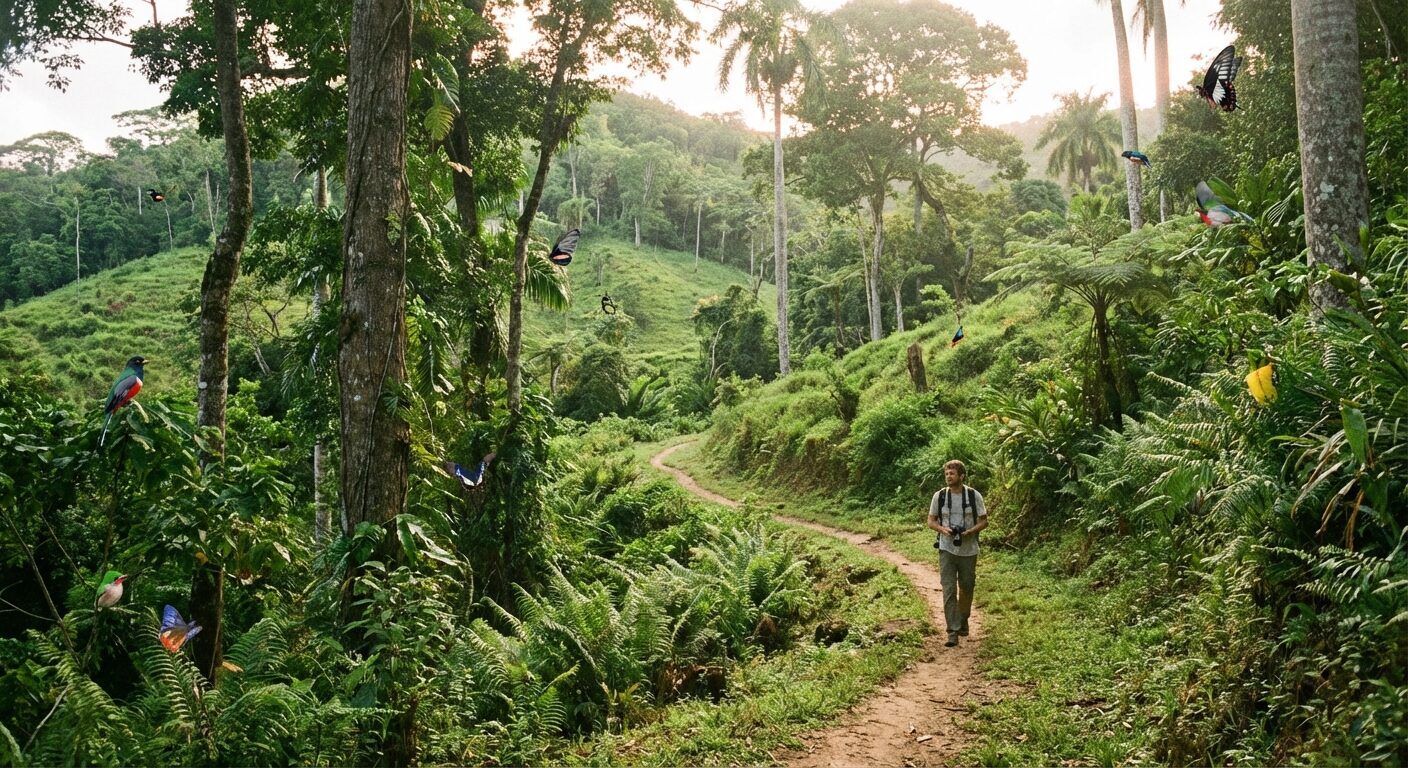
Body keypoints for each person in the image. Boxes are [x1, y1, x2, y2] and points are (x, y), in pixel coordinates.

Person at [926, 459, 988, 647]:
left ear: (962, 476)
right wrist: (943, 530)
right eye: (946, 473)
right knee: (949, 589)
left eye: (952, 473)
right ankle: (952, 631)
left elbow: (984, 521)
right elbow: (931, 521)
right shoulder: (940, 496)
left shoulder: (973, 496)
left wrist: (970, 532)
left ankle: (963, 619)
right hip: (946, 548)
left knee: (967, 586)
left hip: (969, 550)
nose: (948, 476)